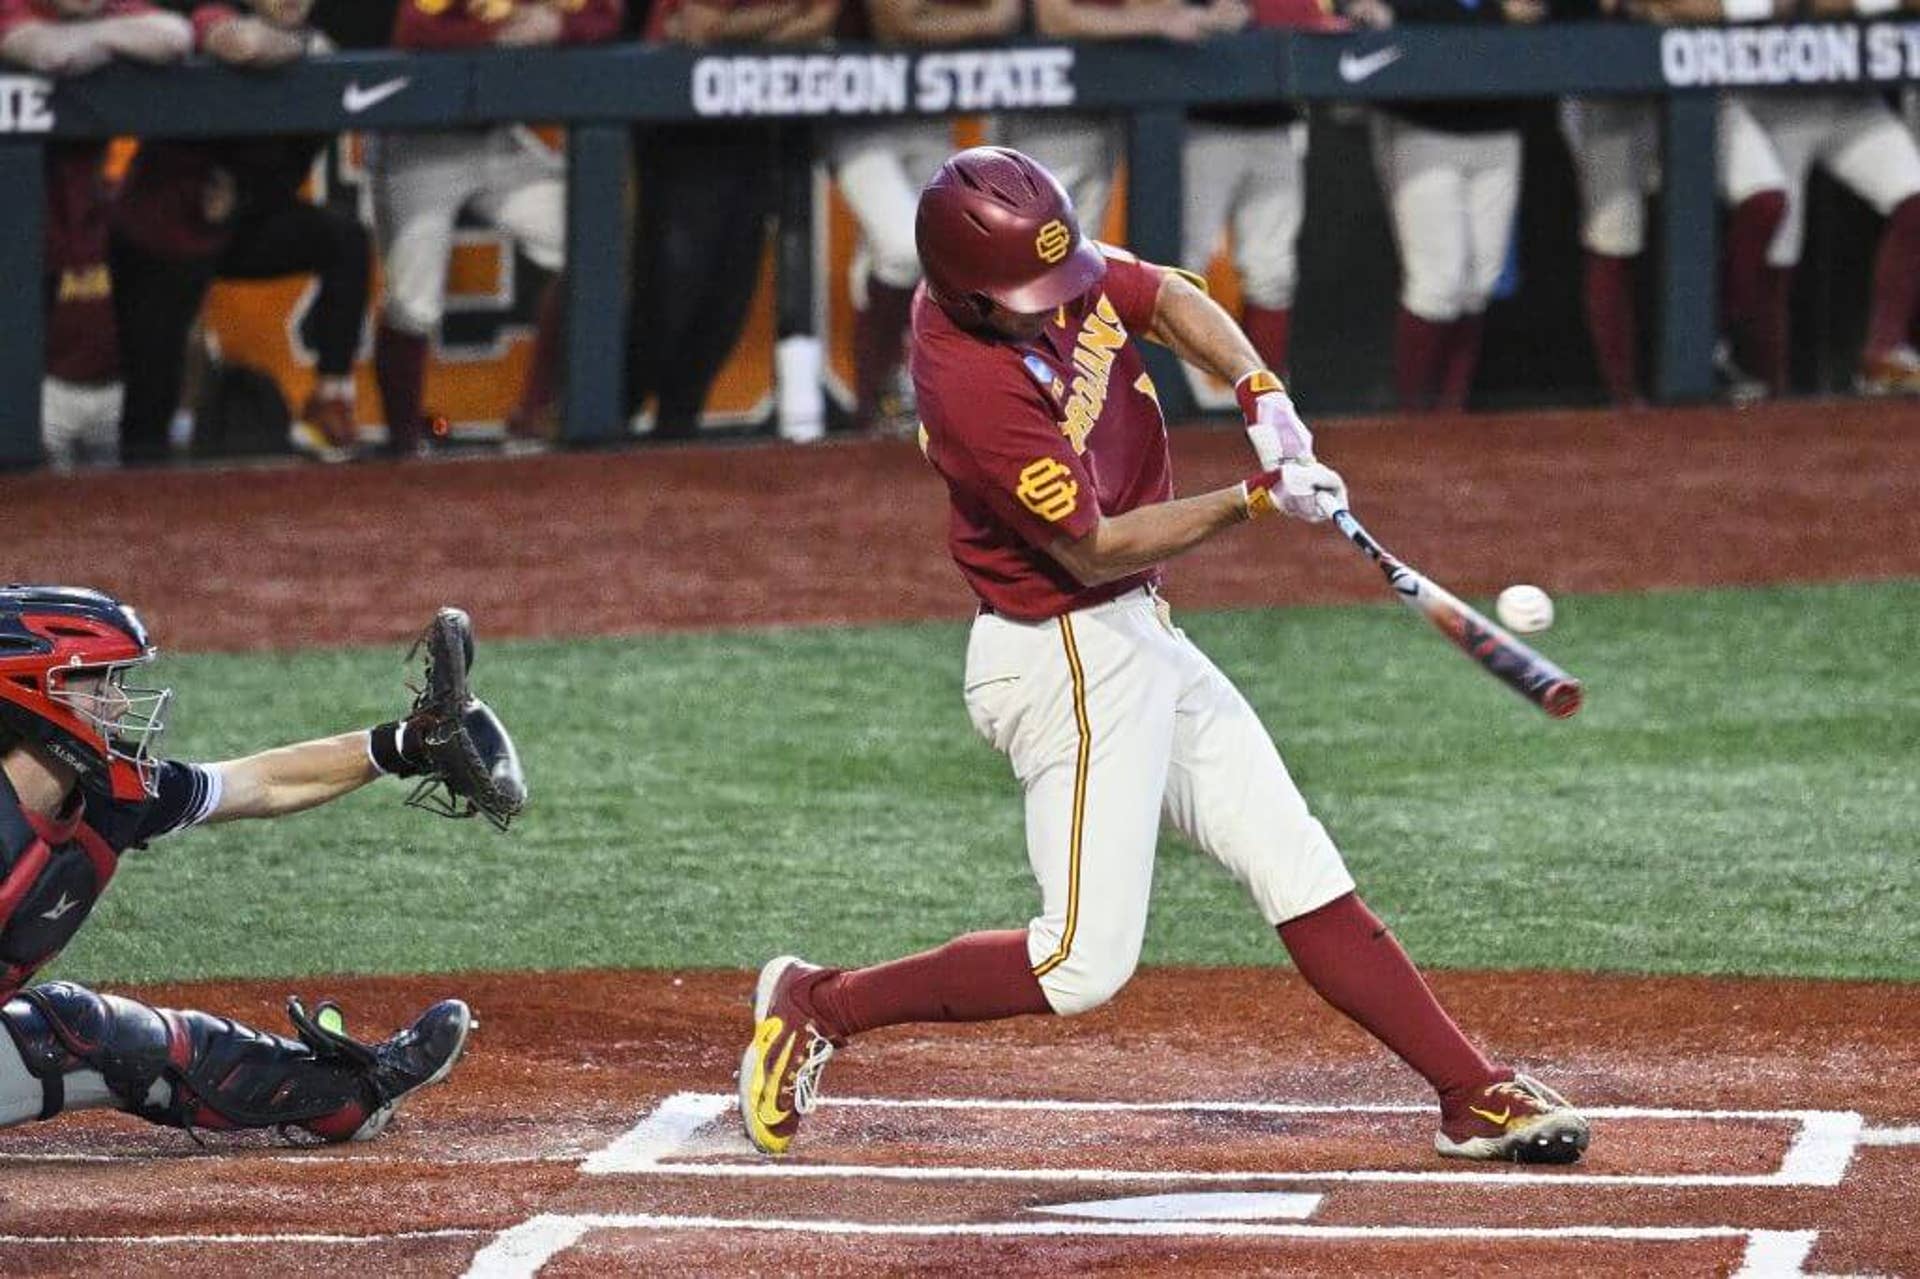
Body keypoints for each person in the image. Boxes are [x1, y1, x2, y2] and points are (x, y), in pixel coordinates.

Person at [738, 147, 1592, 1166]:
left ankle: (1471, 1093)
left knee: (1296, 864)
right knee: (1077, 964)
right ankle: (816, 1002)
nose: (1056, 304)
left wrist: (1261, 393)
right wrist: (1255, 500)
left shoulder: (1035, 268)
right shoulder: (969, 380)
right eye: (1031, 296)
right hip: (1065, 656)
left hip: (1135, 634)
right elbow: (1093, 545)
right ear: (969, 295)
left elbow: (1164, 297)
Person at [0, 588, 521, 1142]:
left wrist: (402, 745)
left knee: (106, 1034)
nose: (122, 705)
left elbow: (259, 783)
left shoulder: (108, 800)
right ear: (32, 689)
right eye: (100, 684)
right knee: (65, 1030)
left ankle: (355, 1094)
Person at [110, 0, 371, 465]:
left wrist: (242, 197)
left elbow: (282, 172)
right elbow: (242, 45)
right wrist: (307, 47)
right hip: (163, 232)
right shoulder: (219, 14)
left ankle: (331, 396)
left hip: (239, 221)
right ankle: (136, 500)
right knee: (152, 400)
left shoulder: (325, 58)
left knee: (344, 239)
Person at [373, 0, 624, 457]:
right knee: (412, 306)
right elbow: (417, 28)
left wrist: (558, 25)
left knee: (588, 239)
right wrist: (497, 34)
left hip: (497, 138)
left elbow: (606, 16)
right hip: (421, 137)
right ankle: (402, 444)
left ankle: (532, 415)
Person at [626, 0, 839, 442]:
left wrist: (742, 29)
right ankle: (607, 417)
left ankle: (677, 427)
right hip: (678, 119)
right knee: (673, 287)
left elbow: (819, 19)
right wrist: (786, 17)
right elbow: (699, 27)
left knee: (729, 290)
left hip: (754, 123)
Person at [0, 0, 193, 472]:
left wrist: (98, 34)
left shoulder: (107, 11)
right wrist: (113, 41)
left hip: (110, 380)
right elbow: (48, 54)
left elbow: (175, 36)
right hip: (17, 233)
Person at [829, 0, 1022, 435]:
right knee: (901, 245)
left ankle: (893, 398)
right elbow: (898, 22)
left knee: (934, 249)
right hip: (854, 106)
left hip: (929, 110)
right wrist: (985, 20)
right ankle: (876, 394)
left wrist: (954, 21)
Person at [1362, 0, 1543, 412]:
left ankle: (1449, 417)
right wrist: (1495, 16)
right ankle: (1410, 418)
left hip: (1498, 116)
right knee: (1437, 283)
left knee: (1479, 284)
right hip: (1424, 119)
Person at [1180, 0, 1346, 381]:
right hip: (1205, 121)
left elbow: (1309, 17)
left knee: (1273, 271)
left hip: (1276, 120)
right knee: (1185, 267)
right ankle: (1177, 402)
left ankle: (1265, 392)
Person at [1004, 0, 1242, 243]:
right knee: (1032, 248)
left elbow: (1142, 9)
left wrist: (1200, 16)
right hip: (1048, 117)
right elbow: (1054, 20)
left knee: (1078, 257)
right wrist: (1159, 21)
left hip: (1104, 108)